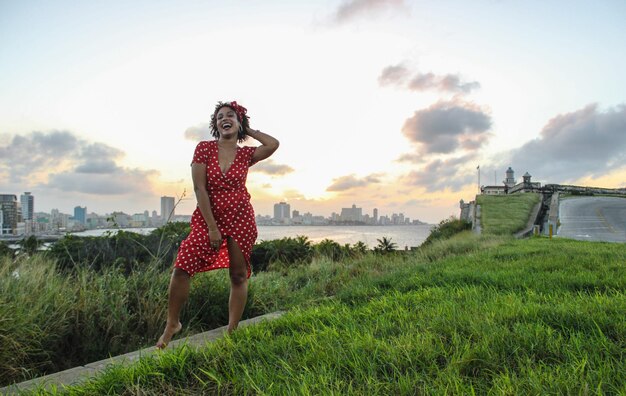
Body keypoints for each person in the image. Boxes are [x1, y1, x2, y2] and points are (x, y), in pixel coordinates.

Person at [156, 101, 279, 349]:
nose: (225, 118)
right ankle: (173, 323)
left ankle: (232, 331)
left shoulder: (246, 154)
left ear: (238, 121)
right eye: (220, 116)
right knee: (182, 266)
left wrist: (249, 130)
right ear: (215, 124)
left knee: (238, 275)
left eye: (231, 116)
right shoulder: (204, 149)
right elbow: (199, 189)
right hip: (208, 218)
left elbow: (272, 144)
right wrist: (212, 227)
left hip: (240, 218)